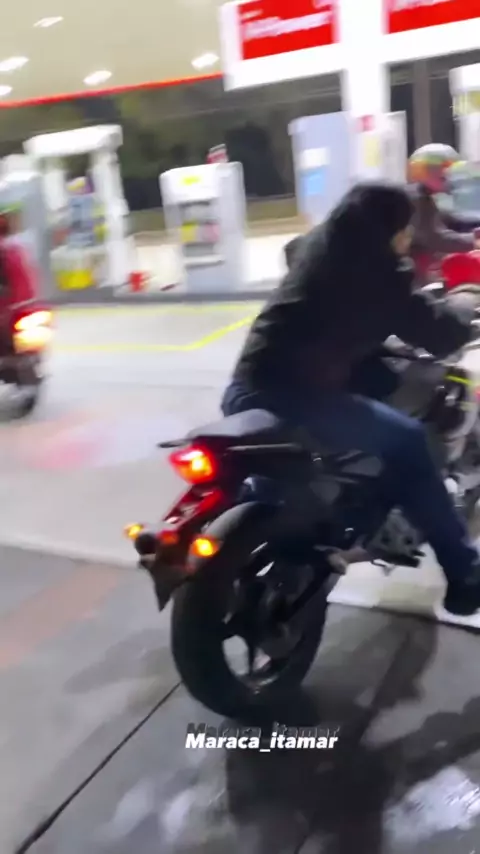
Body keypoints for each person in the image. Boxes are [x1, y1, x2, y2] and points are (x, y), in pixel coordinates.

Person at [222, 181, 480, 617]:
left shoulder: (317, 243)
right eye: (405, 229)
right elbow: (437, 333)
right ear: (391, 230)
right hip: (298, 397)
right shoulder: (379, 272)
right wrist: (465, 302)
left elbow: (311, 284)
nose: (408, 237)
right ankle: (465, 576)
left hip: (246, 387)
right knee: (408, 442)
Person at [407, 143, 480, 286]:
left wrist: (474, 233)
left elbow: (449, 220)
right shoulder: (417, 199)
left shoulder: (424, 197)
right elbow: (434, 237)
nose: (447, 176)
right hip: (412, 276)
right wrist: (473, 240)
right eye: (443, 171)